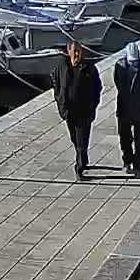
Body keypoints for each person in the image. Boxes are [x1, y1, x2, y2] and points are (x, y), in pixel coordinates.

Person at [52, 41, 102, 180]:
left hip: (84, 112)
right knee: (75, 139)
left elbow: (97, 88)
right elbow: (56, 81)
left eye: (79, 51)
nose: (76, 54)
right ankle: (83, 158)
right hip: (69, 111)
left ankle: (79, 169)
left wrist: (92, 105)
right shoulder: (62, 66)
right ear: (68, 51)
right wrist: (59, 98)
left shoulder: (89, 68)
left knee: (82, 141)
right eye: (74, 51)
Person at [113, 42, 140, 175]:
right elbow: (117, 82)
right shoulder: (119, 66)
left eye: (136, 62)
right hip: (124, 108)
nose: (134, 64)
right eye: (132, 62)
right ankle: (127, 160)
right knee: (125, 137)